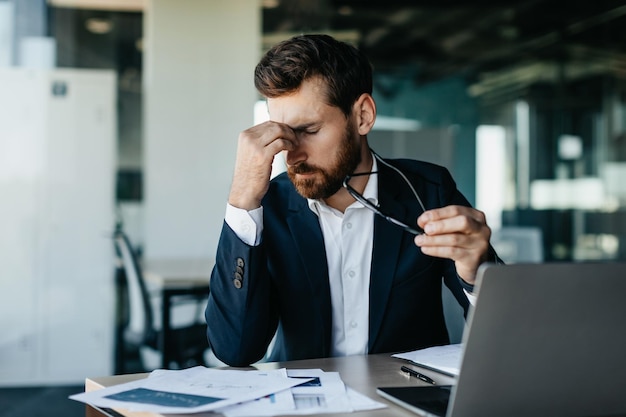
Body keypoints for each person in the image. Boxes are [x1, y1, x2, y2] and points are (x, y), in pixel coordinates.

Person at [205, 34, 499, 367]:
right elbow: (234, 349)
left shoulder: (427, 192)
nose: (292, 154)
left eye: (309, 130)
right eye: (283, 133)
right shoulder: (267, 206)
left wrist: (476, 272)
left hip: (404, 401)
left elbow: (506, 336)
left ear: (362, 116)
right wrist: (242, 200)